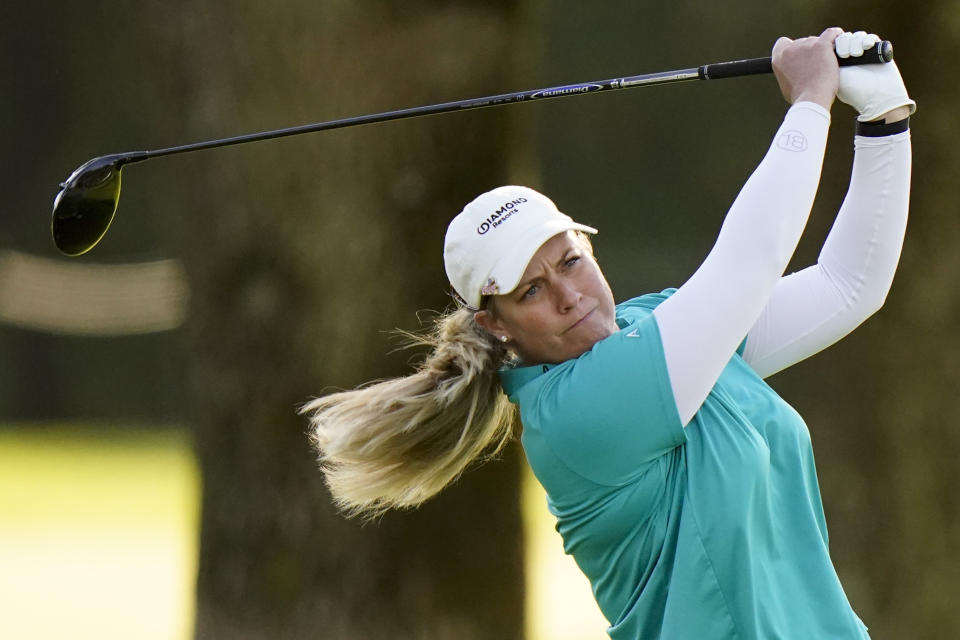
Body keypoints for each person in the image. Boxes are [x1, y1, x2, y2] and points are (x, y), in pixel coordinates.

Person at [302, 28, 914, 639]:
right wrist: (809, 101)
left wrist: (884, 117)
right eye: (530, 291)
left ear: (590, 248)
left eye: (569, 261)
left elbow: (847, 285)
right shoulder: (574, 415)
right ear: (496, 325)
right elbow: (747, 262)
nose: (569, 295)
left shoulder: (654, 326)